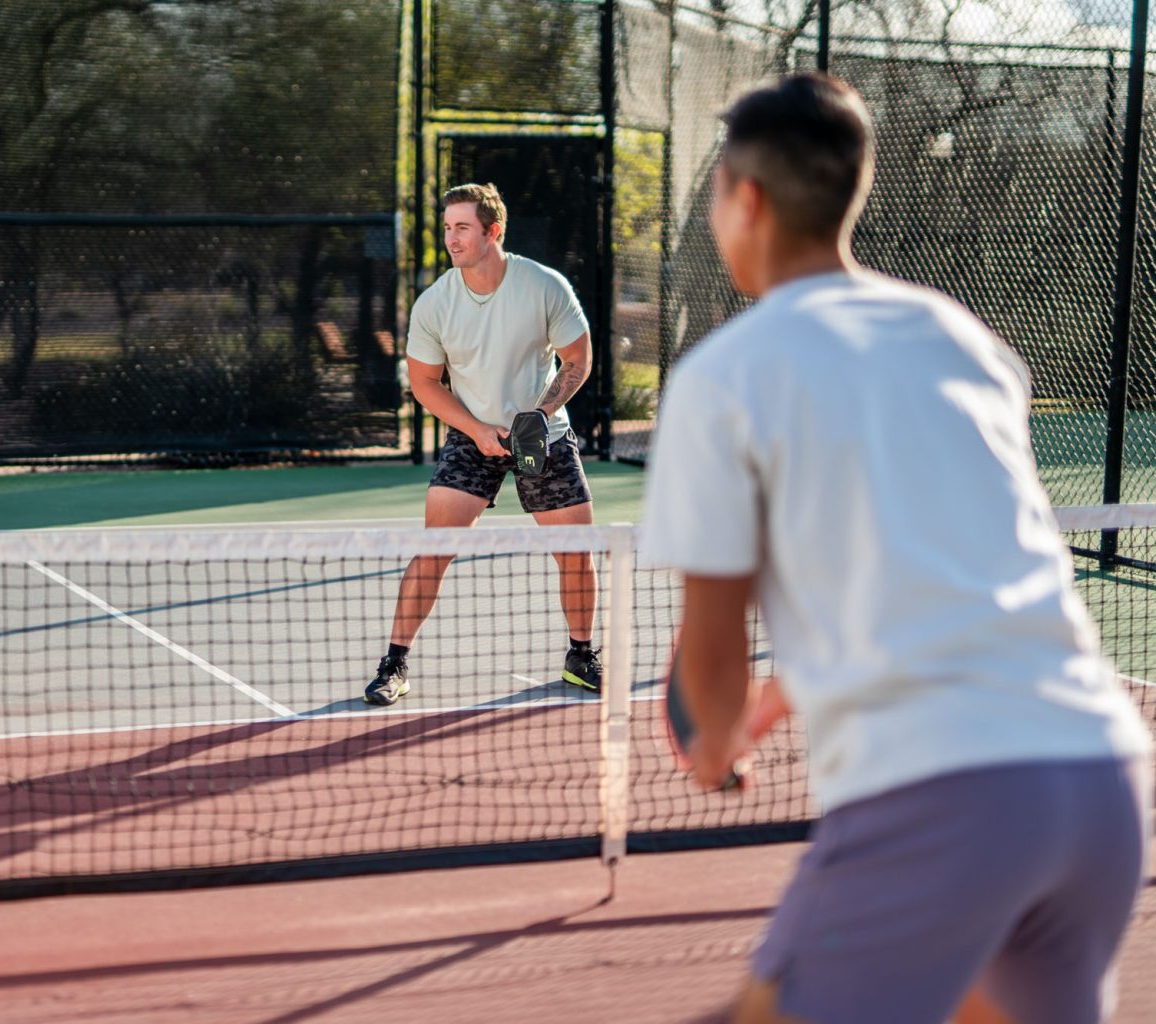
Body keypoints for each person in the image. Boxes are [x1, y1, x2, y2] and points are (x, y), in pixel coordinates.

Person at [639, 73, 1152, 1024]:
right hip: (1100, 778)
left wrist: (714, 743)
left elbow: (710, 652)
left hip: (945, 798)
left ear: (745, 201)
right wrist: (773, 703)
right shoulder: (962, 341)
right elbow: (947, 576)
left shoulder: (724, 376)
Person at [364, 183, 600, 706]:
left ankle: (581, 656)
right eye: (447, 227)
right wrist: (475, 429)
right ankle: (395, 662)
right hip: (472, 434)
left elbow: (577, 360)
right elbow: (424, 383)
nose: (451, 237)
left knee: (576, 551)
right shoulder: (435, 303)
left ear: (493, 232)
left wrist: (537, 416)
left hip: (544, 434)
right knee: (435, 549)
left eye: (462, 227)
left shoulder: (544, 285)